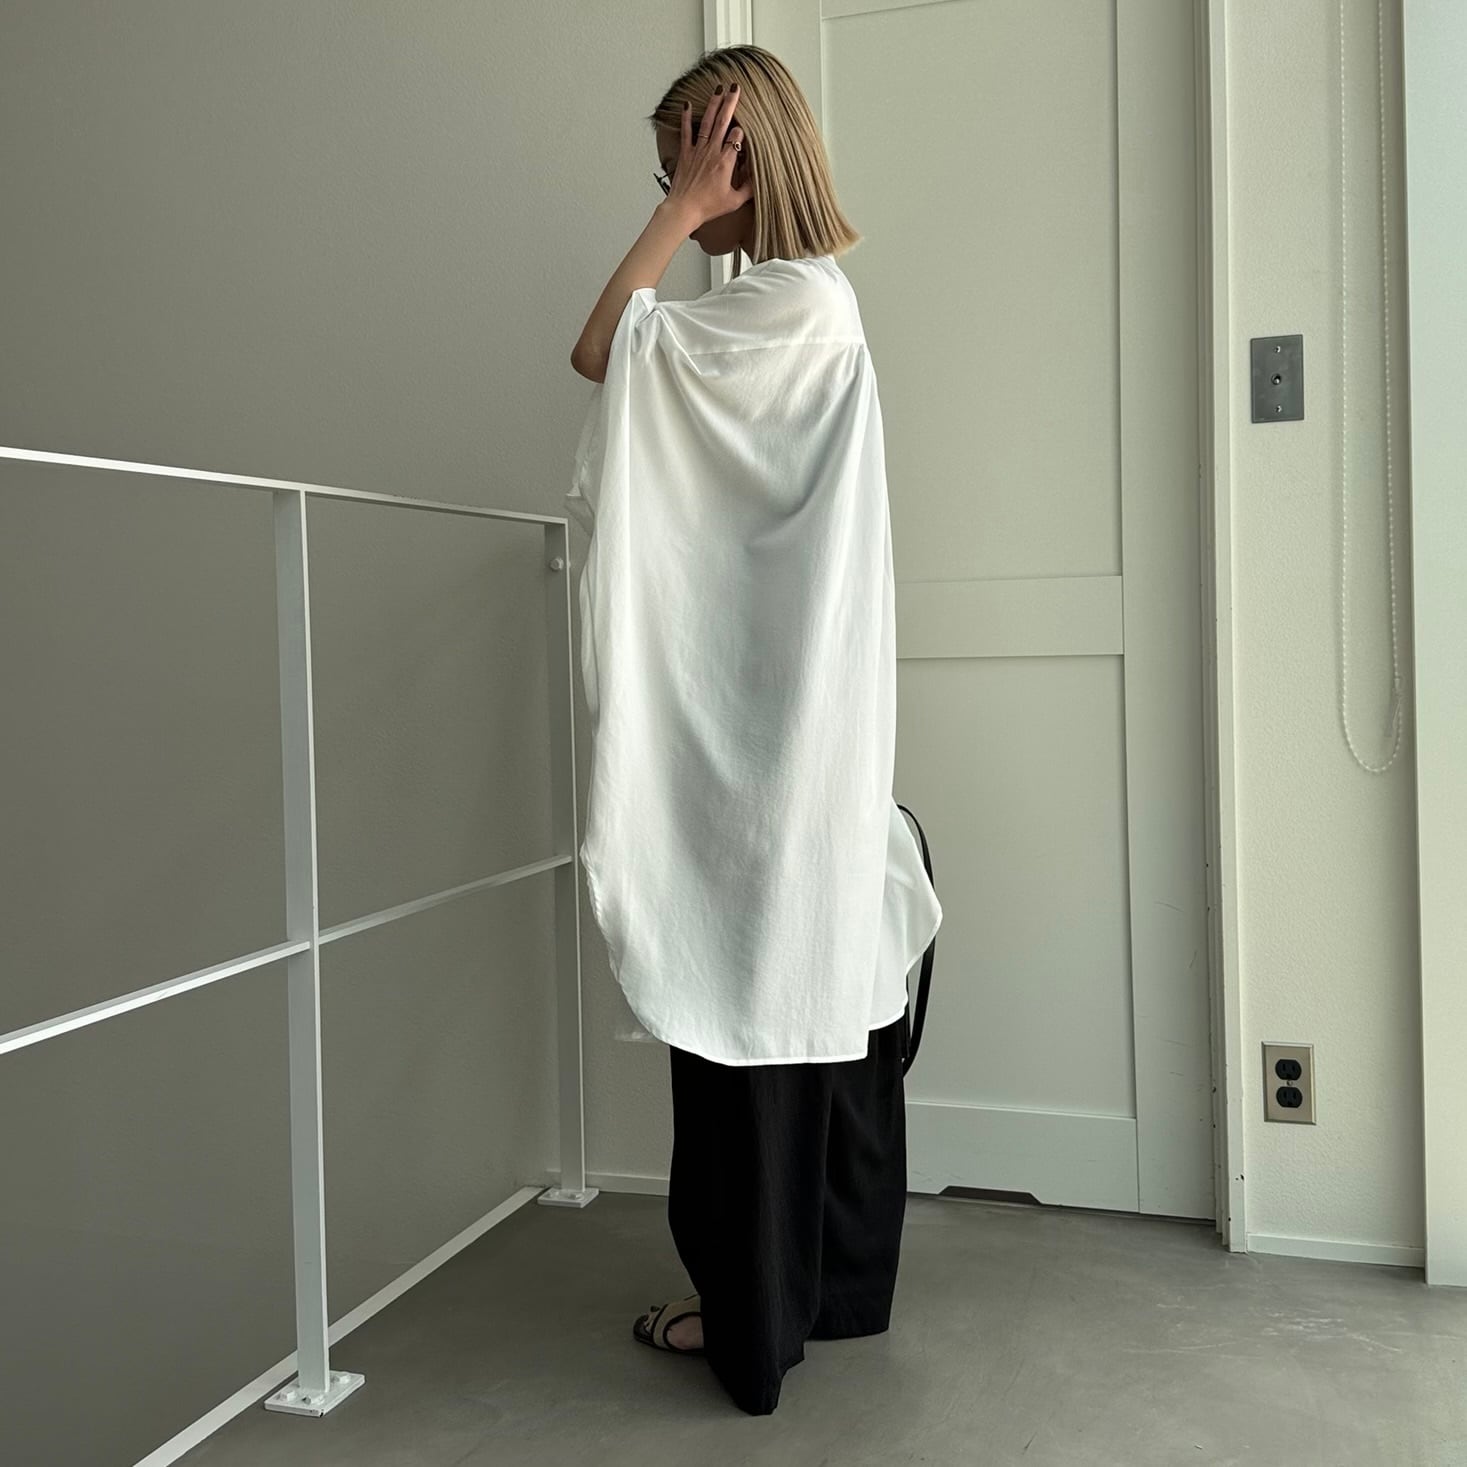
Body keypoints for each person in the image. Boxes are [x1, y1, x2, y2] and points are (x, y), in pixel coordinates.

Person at [567, 44, 942, 1417]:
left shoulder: (780, 307)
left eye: (682, 158)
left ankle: (747, 1315)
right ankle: (818, 1293)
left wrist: (674, 219)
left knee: (744, 1012)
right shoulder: (809, 305)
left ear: (736, 155)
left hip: (769, 731)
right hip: (804, 720)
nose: (670, 186)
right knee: (805, 1001)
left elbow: (600, 350)